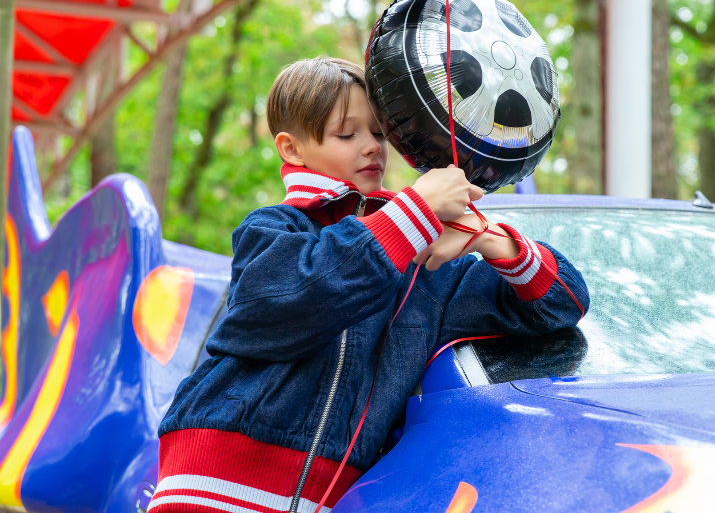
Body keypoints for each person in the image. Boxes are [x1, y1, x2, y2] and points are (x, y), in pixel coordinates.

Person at [153, 57, 589, 513]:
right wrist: (415, 210)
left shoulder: (426, 267)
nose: (372, 148)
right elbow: (302, 294)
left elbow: (564, 303)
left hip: (332, 497)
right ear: (292, 149)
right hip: (214, 478)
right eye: (348, 134)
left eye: (380, 133)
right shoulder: (274, 228)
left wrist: (490, 239)